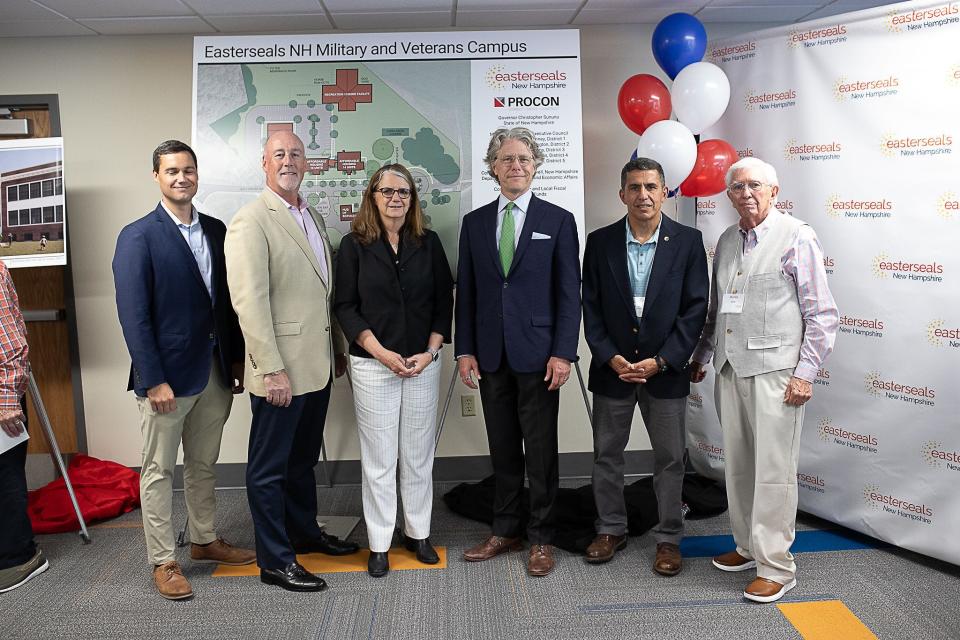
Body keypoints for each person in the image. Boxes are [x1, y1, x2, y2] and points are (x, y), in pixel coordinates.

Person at [689, 156, 838, 603]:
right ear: (729, 195)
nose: (746, 194)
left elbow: (822, 314)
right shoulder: (727, 239)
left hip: (778, 374)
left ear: (774, 191)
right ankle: (748, 546)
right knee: (738, 466)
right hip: (730, 369)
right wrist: (702, 354)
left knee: (773, 472)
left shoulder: (797, 236)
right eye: (737, 187)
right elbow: (719, 310)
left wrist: (805, 373)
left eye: (755, 185)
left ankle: (777, 566)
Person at [113, 140, 255, 600]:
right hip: (166, 380)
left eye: (188, 170)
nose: (181, 178)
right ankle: (164, 560)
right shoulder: (137, 236)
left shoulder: (215, 230)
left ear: (197, 175)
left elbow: (226, 306)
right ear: (156, 176)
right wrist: (152, 378)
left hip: (213, 372)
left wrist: (234, 359)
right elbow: (134, 316)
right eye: (171, 170)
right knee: (157, 470)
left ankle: (204, 539)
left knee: (203, 463)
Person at [225, 130, 358, 593]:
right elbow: (249, 302)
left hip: (316, 364)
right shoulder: (251, 221)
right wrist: (270, 367)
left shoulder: (311, 215)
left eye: (296, 154)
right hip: (279, 370)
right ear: (264, 163)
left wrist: (338, 346)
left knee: (301, 461)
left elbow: (326, 293)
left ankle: (304, 533)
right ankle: (275, 560)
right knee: (268, 469)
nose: (288, 160)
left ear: (307, 162)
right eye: (279, 154)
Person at [456, 127, 581, 577]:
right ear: (493, 167)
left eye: (524, 159)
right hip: (490, 355)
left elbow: (570, 295)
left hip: (541, 355)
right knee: (503, 447)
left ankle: (542, 537)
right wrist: (464, 350)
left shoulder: (558, 221)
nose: (516, 166)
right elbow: (466, 294)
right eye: (507, 159)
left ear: (535, 166)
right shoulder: (473, 224)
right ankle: (505, 528)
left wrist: (564, 353)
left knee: (542, 450)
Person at [581, 158, 708, 575]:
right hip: (613, 369)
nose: (643, 195)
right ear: (622, 195)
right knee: (607, 455)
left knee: (671, 458)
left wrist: (663, 360)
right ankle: (610, 529)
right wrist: (607, 355)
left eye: (651, 187)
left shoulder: (688, 242)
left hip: (665, 372)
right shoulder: (599, 243)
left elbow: (694, 310)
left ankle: (669, 538)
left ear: (665, 191)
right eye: (634, 187)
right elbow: (591, 308)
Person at [333, 164, 454, 577]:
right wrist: (380, 352)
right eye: (387, 191)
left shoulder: (429, 242)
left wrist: (431, 352)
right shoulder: (353, 246)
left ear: (412, 199)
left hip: (423, 363)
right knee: (380, 459)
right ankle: (380, 541)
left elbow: (443, 302)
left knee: (418, 456)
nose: (395, 198)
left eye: (403, 192)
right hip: (372, 366)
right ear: (373, 196)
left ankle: (418, 533)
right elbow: (344, 307)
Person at [0, 262, 47, 593]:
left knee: (4, 479)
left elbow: (11, 342)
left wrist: (6, 399)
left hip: (1, 402)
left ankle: (19, 560)